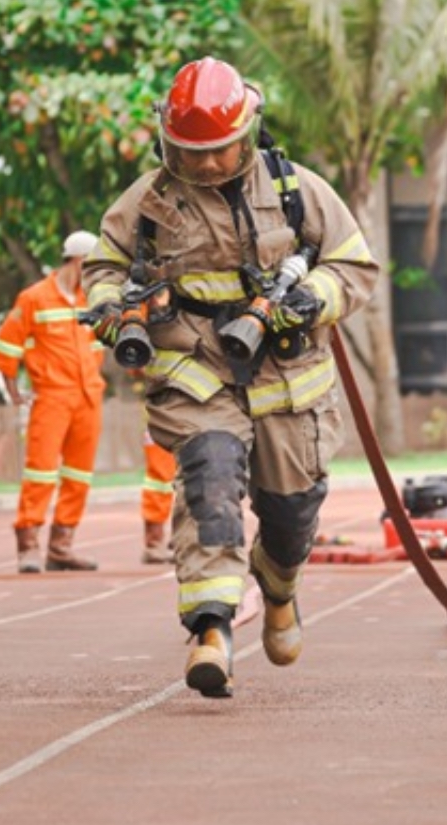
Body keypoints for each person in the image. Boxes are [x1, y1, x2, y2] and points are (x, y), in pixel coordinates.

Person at [83, 56, 378, 698]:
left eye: (221, 151)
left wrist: (310, 298)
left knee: (292, 514)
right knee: (208, 482)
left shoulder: (297, 190)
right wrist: (115, 307)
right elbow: (102, 267)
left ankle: (279, 590)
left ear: (247, 133)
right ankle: (211, 631)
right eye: (194, 153)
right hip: (197, 376)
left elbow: (355, 265)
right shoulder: (148, 202)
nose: (210, 165)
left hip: (289, 381)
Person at [0, 230, 105, 573]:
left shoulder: (93, 300)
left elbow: (98, 347)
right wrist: (13, 390)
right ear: (78, 260)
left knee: (79, 475)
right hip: (53, 398)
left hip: (89, 397)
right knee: (40, 472)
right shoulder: (34, 298)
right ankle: (28, 545)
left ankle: (61, 547)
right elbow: (6, 346)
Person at [140, 429, 176, 565]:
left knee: (197, 473)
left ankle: (185, 537)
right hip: (161, 416)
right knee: (159, 478)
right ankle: (154, 541)